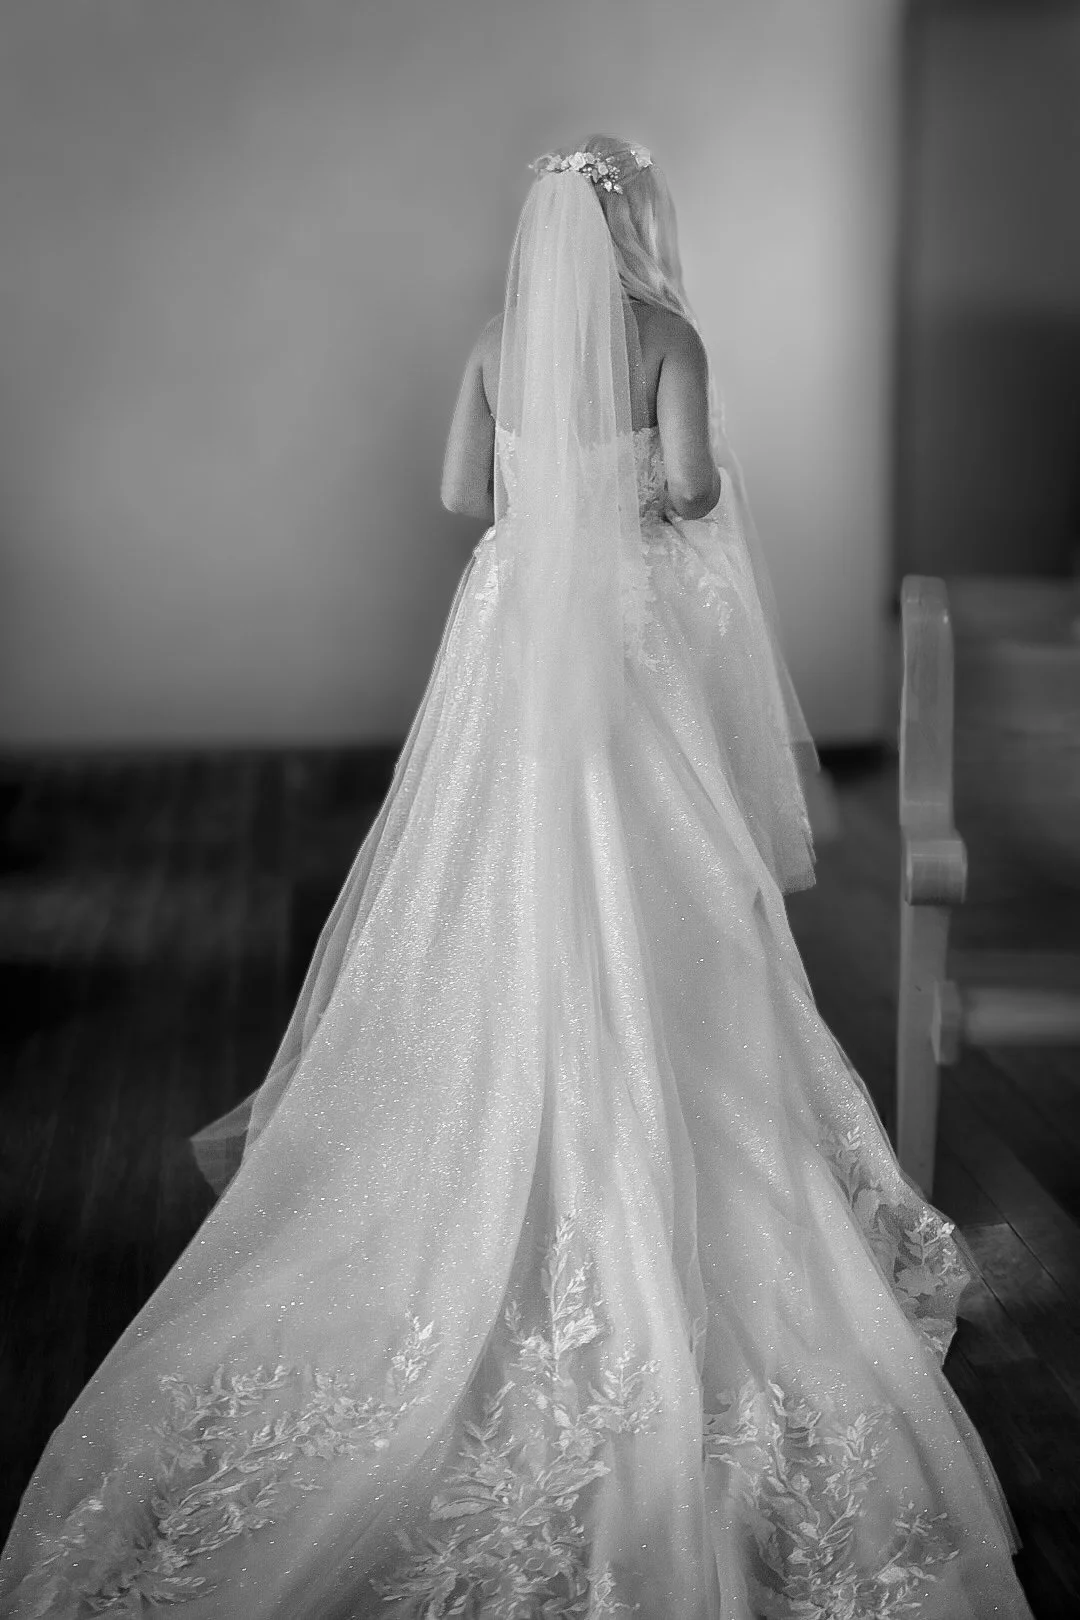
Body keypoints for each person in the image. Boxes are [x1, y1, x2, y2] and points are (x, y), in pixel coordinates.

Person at [0, 136, 1034, 1620]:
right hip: (625, 642)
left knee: (490, 878)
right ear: (632, 227)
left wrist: (544, 504)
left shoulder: (497, 342)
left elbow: (458, 493)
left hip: (513, 636)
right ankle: (648, 1125)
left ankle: (500, 1115)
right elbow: (685, 490)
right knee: (670, 894)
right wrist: (659, 494)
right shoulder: (668, 337)